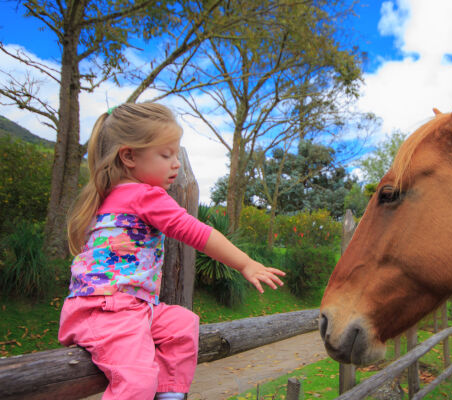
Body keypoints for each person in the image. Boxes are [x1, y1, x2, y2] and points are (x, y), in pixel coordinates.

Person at [58, 103, 285, 400]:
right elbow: (195, 232)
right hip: (107, 310)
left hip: (127, 307)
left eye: (176, 154)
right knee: (137, 380)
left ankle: (171, 395)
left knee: (182, 323)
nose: (175, 163)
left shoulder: (109, 197)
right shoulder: (144, 195)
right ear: (128, 156)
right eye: (166, 155)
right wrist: (245, 263)